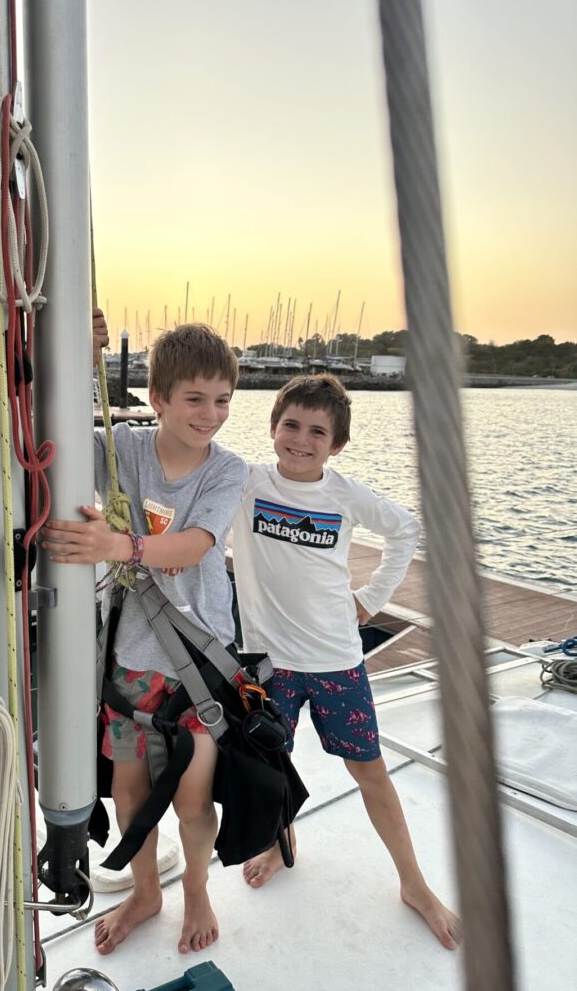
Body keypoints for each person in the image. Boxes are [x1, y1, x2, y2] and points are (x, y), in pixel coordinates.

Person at [230, 373, 460, 950]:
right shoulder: (244, 483)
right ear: (273, 425)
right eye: (291, 425)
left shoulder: (344, 495)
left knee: (371, 772)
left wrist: (372, 600)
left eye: (317, 432)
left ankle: (413, 883)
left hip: (336, 663)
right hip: (268, 665)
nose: (301, 440)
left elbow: (405, 529)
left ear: (336, 444)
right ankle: (282, 845)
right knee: (270, 766)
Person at [43, 314, 247, 956]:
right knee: (129, 789)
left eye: (222, 401)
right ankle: (144, 889)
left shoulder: (227, 470)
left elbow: (192, 546)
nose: (209, 414)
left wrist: (118, 544)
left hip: (197, 666)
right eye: (194, 399)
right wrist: (83, 354)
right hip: (131, 662)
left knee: (192, 799)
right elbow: (59, 437)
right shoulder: (124, 448)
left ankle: (194, 889)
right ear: (158, 399)